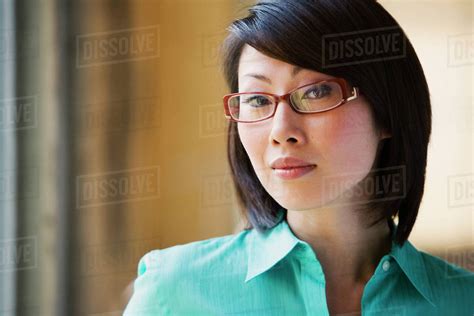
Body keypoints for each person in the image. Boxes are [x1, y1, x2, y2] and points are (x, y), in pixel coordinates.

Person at [123, 1, 474, 315]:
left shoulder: (462, 301)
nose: (281, 130)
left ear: (387, 113)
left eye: (316, 92)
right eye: (258, 99)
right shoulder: (174, 292)